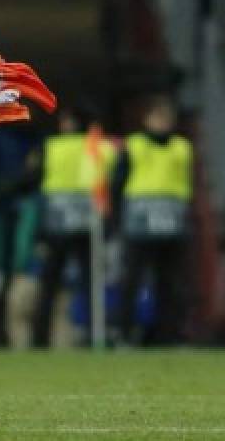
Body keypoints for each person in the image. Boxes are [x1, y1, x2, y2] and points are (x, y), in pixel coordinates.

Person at [32, 105, 116, 348]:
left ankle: (41, 339)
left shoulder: (51, 147)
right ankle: (92, 335)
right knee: (89, 283)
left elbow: (34, 178)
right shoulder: (101, 147)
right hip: (88, 222)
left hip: (58, 221)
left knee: (51, 283)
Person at [111, 96, 193, 346]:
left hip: (171, 224)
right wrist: (117, 217)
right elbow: (118, 183)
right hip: (140, 222)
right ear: (147, 120)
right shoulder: (133, 145)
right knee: (131, 279)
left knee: (170, 283)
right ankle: (124, 333)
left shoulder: (182, 147)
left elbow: (185, 183)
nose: (162, 122)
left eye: (166, 117)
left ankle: (167, 335)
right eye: (157, 116)